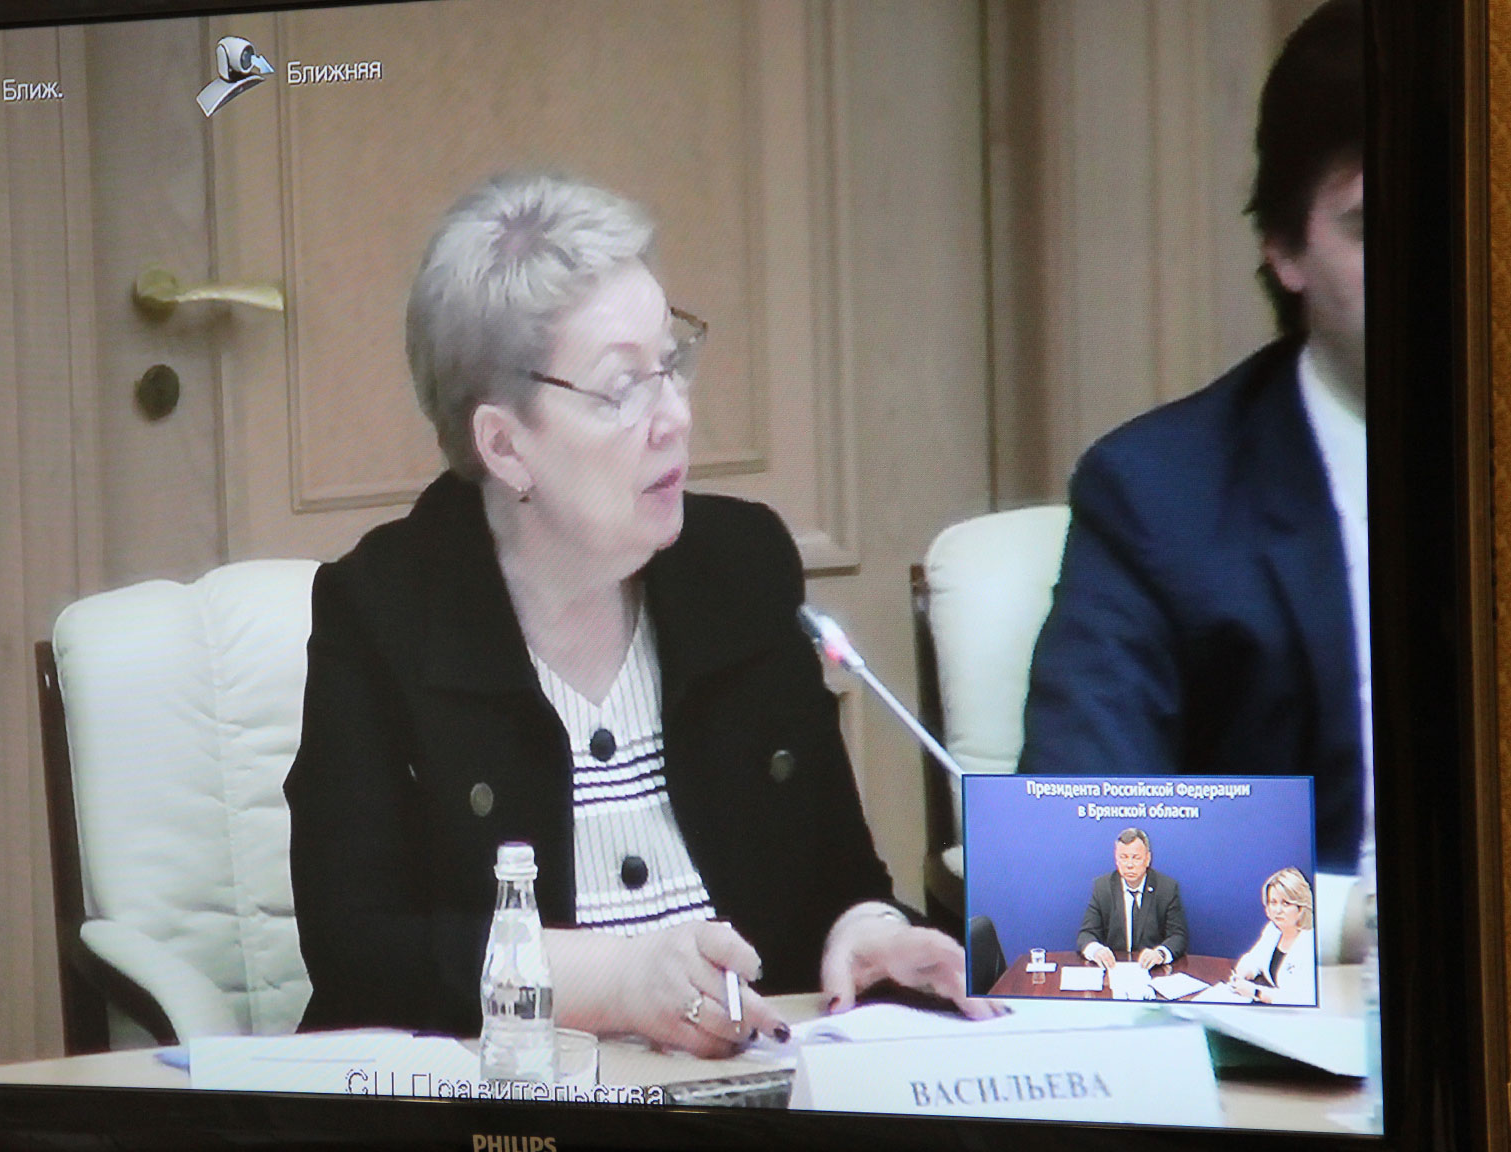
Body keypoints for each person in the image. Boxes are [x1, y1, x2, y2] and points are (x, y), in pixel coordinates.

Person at [285, 172, 994, 1059]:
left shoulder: (742, 568)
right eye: (622, 387)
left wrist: (866, 931)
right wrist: (617, 981)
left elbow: (838, 876)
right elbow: (360, 953)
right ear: (504, 444)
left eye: (672, 363)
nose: (677, 417)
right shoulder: (382, 612)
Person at [1017, 0, 1368, 874]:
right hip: (1307, 954)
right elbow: (1079, 856)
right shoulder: (1159, 496)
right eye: (1371, 226)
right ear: (1285, 247)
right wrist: (1349, 924)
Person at [1076, 828, 1188, 969]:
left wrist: (1160, 953)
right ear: (1116, 859)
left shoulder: (1167, 888)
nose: (1129, 865)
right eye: (1123, 857)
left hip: (1154, 970)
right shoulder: (1103, 887)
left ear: (1148, 859)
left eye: (1136, 858)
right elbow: (1086, 934)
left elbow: (1178, 936)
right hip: (1115, 968)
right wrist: (1096, 950)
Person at [1227, 868, 1318, 1005]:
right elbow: (1254, 958)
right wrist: (1242, 973)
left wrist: (1256, 993)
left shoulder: (1311, 943)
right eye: (1273, 902)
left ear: (1301, 908)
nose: (1278, 910)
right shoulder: (1273, 930)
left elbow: (1301, 1000)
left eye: (1286, 903)